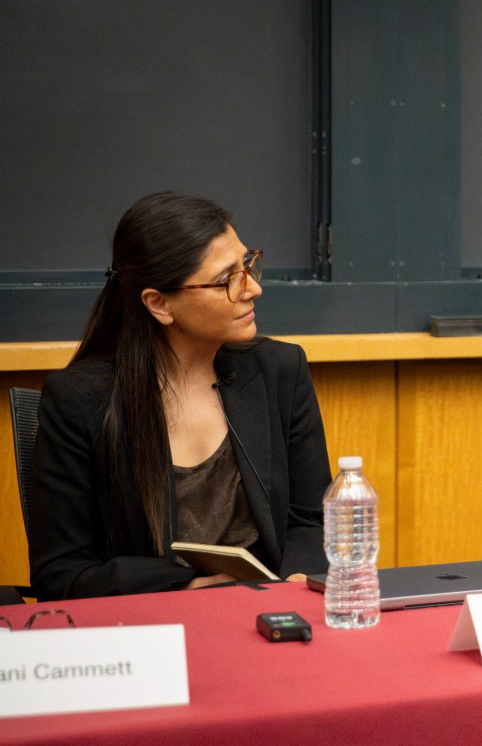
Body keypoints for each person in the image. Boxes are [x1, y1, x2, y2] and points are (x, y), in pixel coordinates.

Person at [27, 192, 331, 599]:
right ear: (159, 304)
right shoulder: (80, 400)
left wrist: (294, 582)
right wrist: (186, 586)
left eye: (248, 265)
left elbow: (311, 521)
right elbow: (61, 572)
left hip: (265, 615)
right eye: (228, 280)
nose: (253, 288)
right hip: (147, 629)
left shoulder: (279, 370)